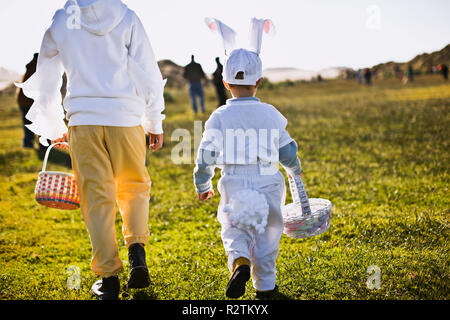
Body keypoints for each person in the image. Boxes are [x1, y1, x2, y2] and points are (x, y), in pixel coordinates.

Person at [16, 0, 166, 300]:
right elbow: (147, 70)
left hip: (84, 119)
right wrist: (154, 120)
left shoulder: (62, 19)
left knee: (96, 197)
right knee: (134, 186)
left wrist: (54, 127)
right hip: (125, 118)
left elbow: (46, 78)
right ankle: (137, 250)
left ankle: (108, 277)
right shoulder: (127, 16)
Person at [194, 18, 303, 299]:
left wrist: (202, 184)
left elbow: (205, 155)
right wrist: (294, 169)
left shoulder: (218, 117)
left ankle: (239, 259)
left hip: (234, 180)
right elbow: (288, 151)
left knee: (234, 225)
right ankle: (265, 288)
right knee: (267, 233)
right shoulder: (269, 113)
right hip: (267, 178)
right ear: (259, 81)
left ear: (224, 82)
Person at [16, 53, 38, 149]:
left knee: (28, 124)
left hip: (23, 101)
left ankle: (28, 143)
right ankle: (44, 145)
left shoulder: (30, 68)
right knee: (41, 122)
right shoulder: (37, 68)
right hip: (30, 102)